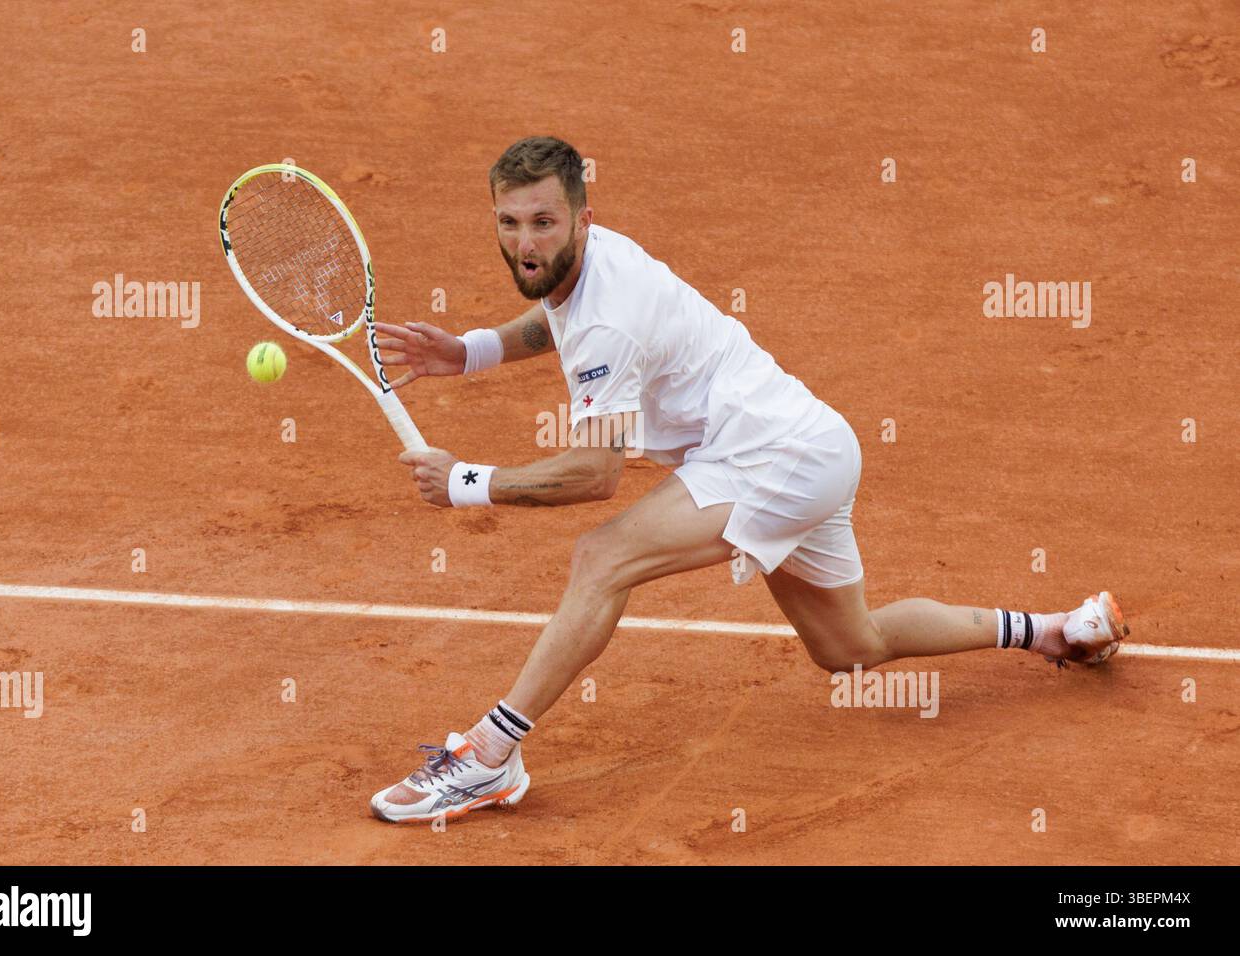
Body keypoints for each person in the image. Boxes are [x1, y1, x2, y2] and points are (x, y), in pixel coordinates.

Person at [367, 136, 1128, 823]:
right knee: (848, 647)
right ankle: (1053, 629)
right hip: (807, 447)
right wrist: (469, 353)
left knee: (602, 557)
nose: (525, 244)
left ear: (582, 219)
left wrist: (467, 481)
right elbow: (550, 318)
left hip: (772, 455)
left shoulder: (609, 319)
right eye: (509, 224)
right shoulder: (588, 271)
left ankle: (488, 758)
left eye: (543, 223)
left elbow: (594, 475)